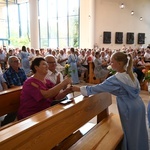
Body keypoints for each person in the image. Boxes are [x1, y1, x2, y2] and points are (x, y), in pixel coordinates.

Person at [72, 52, 149, 150]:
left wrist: (78, 89)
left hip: (128, 107)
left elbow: (97, 88)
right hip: (139, 105)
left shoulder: (116, 79)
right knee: (139, 130)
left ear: (120, 64)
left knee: (130, 132)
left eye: (112, 62)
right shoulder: (131, 74)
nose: (110, 64)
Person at [1, 56, 27, 126]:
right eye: (15, 61)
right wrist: (25, 88)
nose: (18, 62)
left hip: (24, 91)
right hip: (14, 93)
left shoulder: (21, 70)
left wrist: (26, 88)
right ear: (10, 63)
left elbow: (26, 81)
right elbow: (12, 86)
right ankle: (5, 124)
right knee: (13, 111)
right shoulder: (7, 73)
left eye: (18, 60)